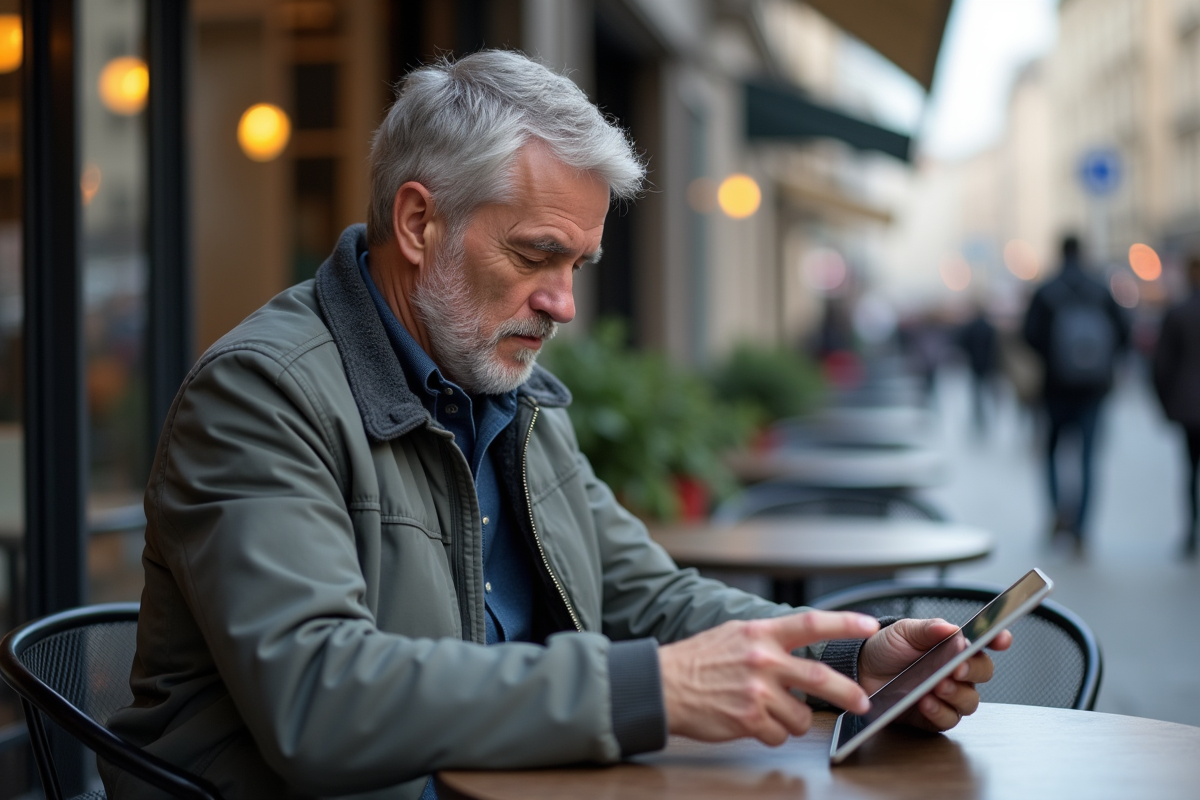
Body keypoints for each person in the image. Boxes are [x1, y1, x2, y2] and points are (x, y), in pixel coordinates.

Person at [103, 51, 1007, 800]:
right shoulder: (261, 394)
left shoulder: (508, 391)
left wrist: (849, 659)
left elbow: (645, 598)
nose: (564, 303)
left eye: (580, 263)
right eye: (537, 254)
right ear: (419, 222)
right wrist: (651, 690)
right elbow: (318, 697)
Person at [1022, 235, 1129, 550]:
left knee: (1052, 455)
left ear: (1059, 252)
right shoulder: (1100, 289)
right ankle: (1082, 528)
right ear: (1082, 252)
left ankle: (1058, 516)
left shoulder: (1046, 291)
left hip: (1055, 388)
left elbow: (1029, 335)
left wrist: (1054, 358)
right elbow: (1124, 333)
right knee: (1087, 460)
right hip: (1093, 390)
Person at [1152, 256, 1200, 557]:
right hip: (1188, 402)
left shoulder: (1178, 312)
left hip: (1189, 406)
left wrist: (1166, 404)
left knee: (1191, 470)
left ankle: (1191, 530)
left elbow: (1161, 366)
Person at [956, 302, 999, 434]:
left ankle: (978, 418)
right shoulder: (990, 328)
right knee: (989, 393)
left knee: (976, 395)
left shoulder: (970, 327)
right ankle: (988, 419)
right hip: (988, 365)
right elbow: (996, 348)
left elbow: (962, 345)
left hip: (975, 364)